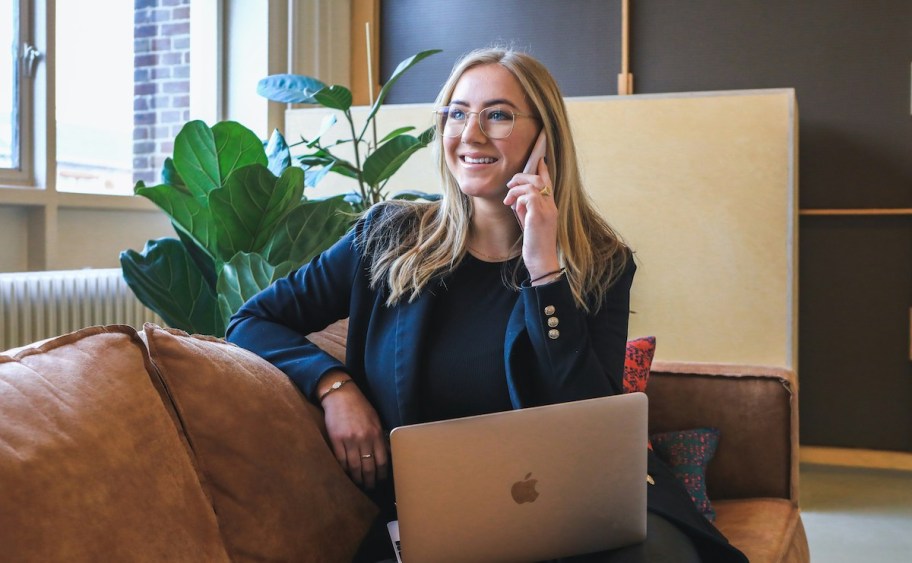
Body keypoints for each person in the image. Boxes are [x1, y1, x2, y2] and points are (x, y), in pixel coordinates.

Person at [226, 47, 747, 562]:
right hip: (441, 521)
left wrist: (545, 271)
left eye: (497, 115)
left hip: (580, 510)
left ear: (545, 137)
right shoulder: (387, 239)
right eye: (456, 113)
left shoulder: (601, 262)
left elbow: (593, 422)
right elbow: (251, 320)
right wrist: (333, 387)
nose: (470, 134)